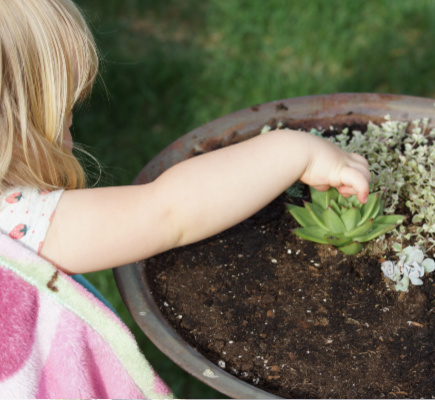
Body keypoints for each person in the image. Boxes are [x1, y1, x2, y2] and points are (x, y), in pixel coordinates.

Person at [0, 0, 370, 397]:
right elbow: (169, 212)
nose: (71, 128)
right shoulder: (16, 223)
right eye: (63, 115)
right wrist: (296, 152)